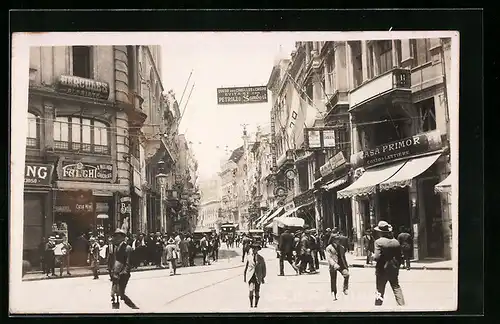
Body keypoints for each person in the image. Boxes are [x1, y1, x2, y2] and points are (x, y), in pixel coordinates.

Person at [373, 221, 405, 306]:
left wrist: (373, 257)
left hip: (381, 269)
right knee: (396, 287)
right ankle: (402, 306)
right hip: (393, 269)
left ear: (380, 232)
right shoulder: (396, 242)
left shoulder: (378, 242)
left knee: (380, 289)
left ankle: (378, 307)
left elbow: (377, 257)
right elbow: (399, 257)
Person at [109, 228, 139, 310]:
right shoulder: (116, 248)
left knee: (120, 292)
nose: (114, 239)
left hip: (123, 274)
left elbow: (128, 262)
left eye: (116, 237)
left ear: (122, 238)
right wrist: (112, 271)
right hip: (116, 272)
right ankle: (116, 308)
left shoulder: (127, 248)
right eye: (114, 237)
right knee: (114, 292)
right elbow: (114, 260)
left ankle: (133, 306)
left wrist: (125, 271)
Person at [325, 235, 350, 301]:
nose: (338, 241)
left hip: (341, 264)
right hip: (333, 265)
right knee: (333, 279)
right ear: (333, 240)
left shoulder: (342, 247)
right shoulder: (329, 248)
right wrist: (334, 264)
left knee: (347, 275)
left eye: (339, 240)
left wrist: (346, 266)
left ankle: (345, 288)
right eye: (337, 240)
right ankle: (334, 293)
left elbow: (344, 257)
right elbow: (329, 258)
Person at [243, 242, 267, 308]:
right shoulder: (248, 257)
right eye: (253, 248)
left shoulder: (261, 258)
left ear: (257, 250)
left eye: (255, 249)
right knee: (251, 290)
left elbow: (264, 268)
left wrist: (263, 277)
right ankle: (251, 304)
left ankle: (256, 305)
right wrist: (245, 275)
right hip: (251, 276)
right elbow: (246, 267)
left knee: (257, 291)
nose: (253, 250)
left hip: (258, 276)